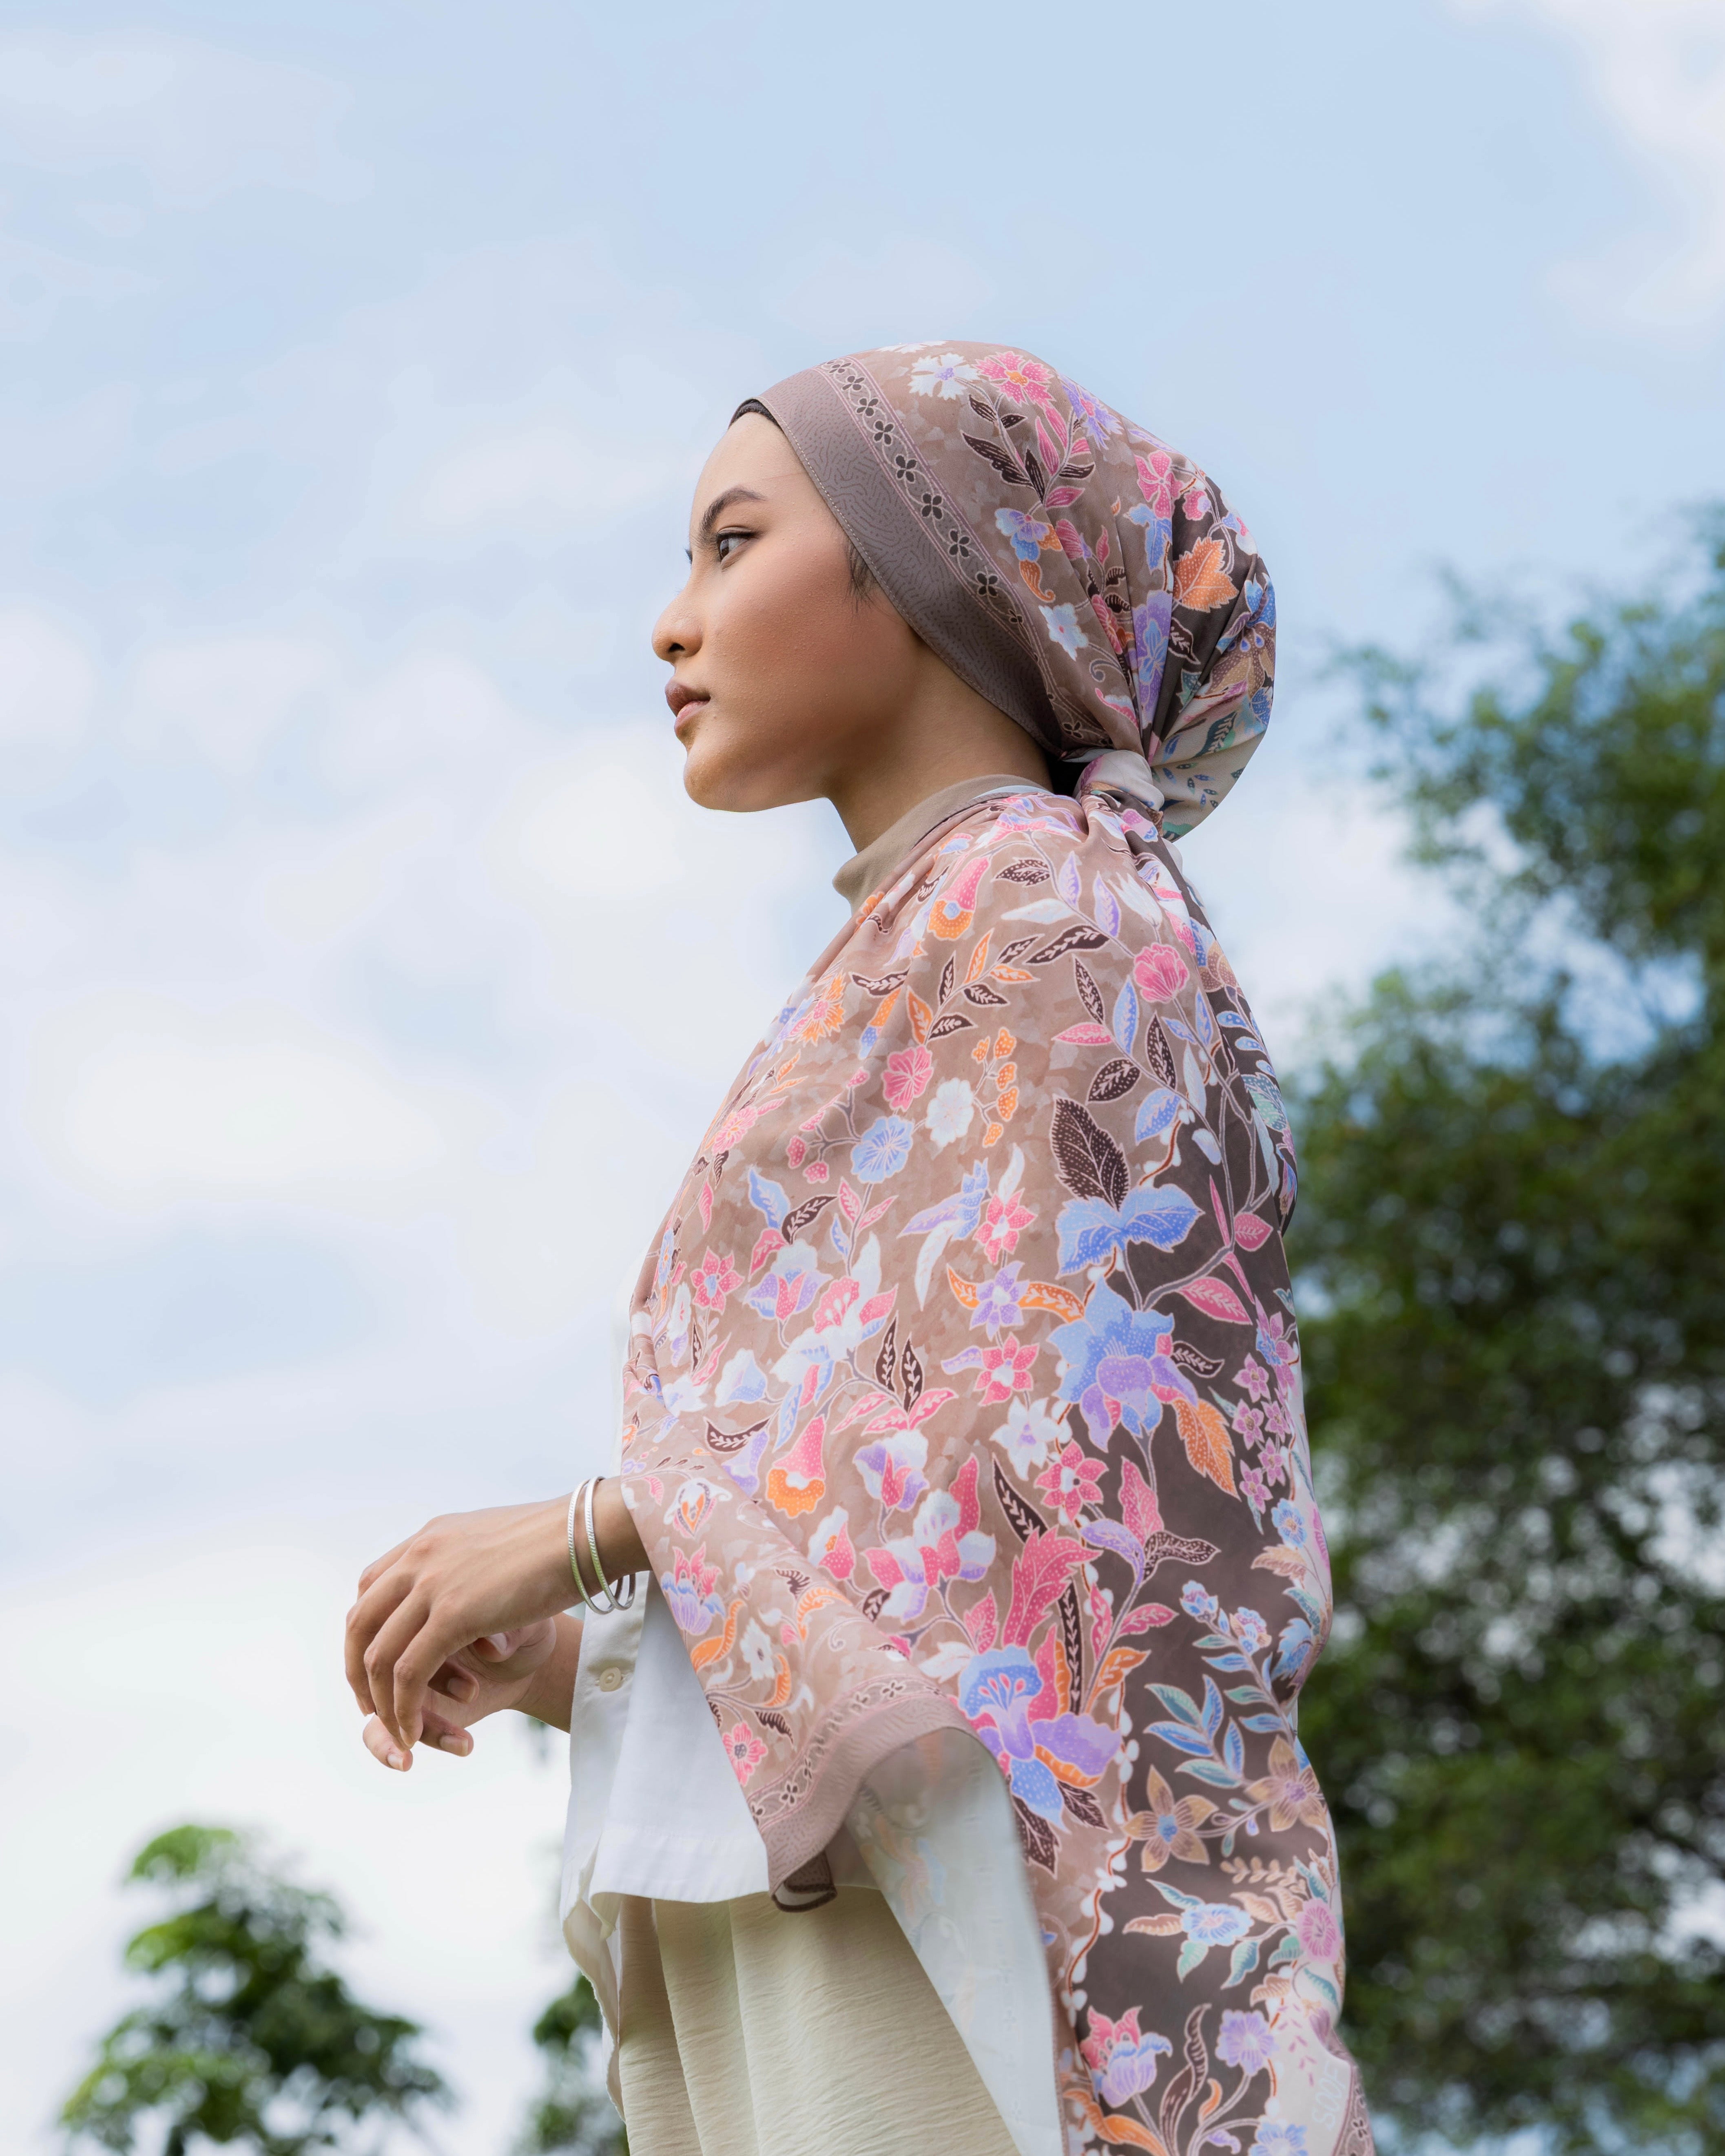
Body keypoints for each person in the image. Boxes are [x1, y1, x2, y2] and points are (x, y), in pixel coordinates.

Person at [345, 342, 1375, 2156]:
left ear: (932, 565)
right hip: (808, 1893)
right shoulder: (912, 944)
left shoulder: (1050, 901)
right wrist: (589, 1649)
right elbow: (882, 1479)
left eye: (729, 544)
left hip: (936, 1921)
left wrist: (590, 1529)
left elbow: (1047, 1456)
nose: (672, 626)